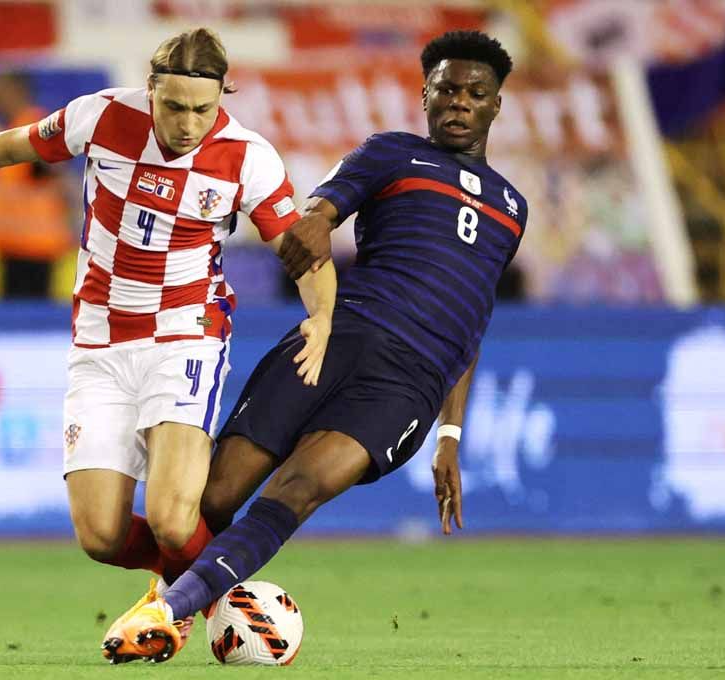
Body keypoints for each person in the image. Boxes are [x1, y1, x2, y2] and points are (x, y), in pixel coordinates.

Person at [0, 26, 334, 640]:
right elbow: (11, 147)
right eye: (173, 106)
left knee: (171, 520)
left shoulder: (247, 157)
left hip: (185, 334)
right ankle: (223, 590)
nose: (187, 123)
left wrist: (322, 317)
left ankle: (199, 606)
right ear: (150, 91)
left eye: (203, 108)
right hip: (100, 342)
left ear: (222, 97)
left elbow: (300, 252)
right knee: (101, 535)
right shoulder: (103, 116)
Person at [100, 30, 528, 664]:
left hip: (409, 383)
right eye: (446, 90)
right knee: (213, 497)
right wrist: (316, 224)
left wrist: (450, 436)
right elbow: (321, 211)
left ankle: (166, 611)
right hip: (335, 339)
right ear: (425, 95)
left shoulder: (512, 209)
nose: (458, 103)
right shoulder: (392, 155)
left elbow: (472, 325)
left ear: (496, 105)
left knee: (298, 489)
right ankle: (182, 598)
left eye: (474, 93)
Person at [0, 72, 75, 299]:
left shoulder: (36, 128)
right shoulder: (10, 129)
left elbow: (61, 179)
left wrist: (75, 222)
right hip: (12, 245)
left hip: (36, 246)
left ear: (16, 91)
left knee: (27, 317)